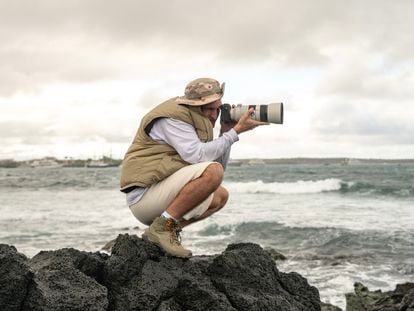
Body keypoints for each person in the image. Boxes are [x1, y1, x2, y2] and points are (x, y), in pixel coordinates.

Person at [120, 77, 268, 258]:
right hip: (144, 197)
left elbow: (215, 170)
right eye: (209, 109)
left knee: (220, 195)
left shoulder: (196, 119)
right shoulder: (172, 118)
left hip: (159, 194)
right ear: (194, 104)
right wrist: (234, 133)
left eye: (217, 109)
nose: (214, 115)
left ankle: (164, 232)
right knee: (213, 172)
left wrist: (225, 132)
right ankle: (163, 229)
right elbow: (199, 157)